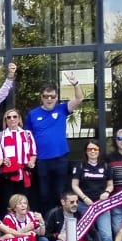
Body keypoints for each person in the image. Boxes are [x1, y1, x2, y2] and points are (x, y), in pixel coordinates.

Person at [25, 74, 84, 211]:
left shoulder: (62, 108)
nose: (49, 99)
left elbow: (79, 98)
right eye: (46, 96)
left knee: (60, 194)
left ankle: (60, 224)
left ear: (56, 97)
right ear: (41, 97)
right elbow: (27, 137)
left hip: (60, 158)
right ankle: (46, 224)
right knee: (43, 194)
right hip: (41, 160)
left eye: (52, 96)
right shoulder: (33, 114)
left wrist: (75, 84)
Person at [70, 139, 114, 241]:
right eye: (90, 149)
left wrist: (106, 192)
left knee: (106, 236)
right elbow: (74, 185)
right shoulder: (79, 166)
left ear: (99, 151)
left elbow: (110, 185)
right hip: (84, 205)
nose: (93, 151)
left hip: (102, 206)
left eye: (95, 149)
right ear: (86, 151)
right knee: (86, 235)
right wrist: (84, 197)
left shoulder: (106, 166)